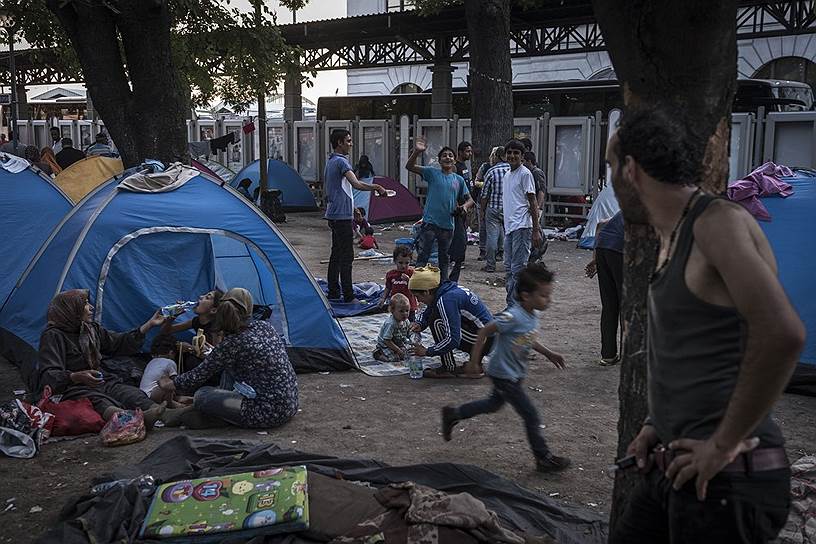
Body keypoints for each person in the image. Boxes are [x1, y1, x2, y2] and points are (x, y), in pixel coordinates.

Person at [608, 107, 805, 544]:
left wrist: (721, 444)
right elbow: (701, 346)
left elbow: (783, 333)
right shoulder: (674, 234)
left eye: (611, 166)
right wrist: (656, 424)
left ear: (631, 169)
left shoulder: (716, 223)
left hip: (727, 481)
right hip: (676, 465)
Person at [441, 264, 571, 473]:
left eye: (549, 295)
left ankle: (453, 414)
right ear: (526, 296)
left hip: (514, 373)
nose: (549, 300)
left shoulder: (532, 314)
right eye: (544, 295)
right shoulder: (513, 316)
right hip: (504, 375)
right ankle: (543, 457)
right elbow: (484, 331)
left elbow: (527, 339)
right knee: (531, 415)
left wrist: (548, 353)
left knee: (493, 404)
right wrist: (474, 361)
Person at [159, 288, 299, 429]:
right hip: (290, 403)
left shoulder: (232, 343)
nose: (201, 298)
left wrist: (169, 383)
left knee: (202, 395)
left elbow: (197, 376)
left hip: (268, 412)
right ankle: (188, 414)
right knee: (227, 371)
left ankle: (195, 416)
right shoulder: (265, 326)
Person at [36, 289, 179, 426]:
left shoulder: (90, 329)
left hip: (100, 380)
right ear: (71, 309)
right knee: (98, 401)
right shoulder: (53, 336)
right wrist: (75, 376)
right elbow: (49, 375)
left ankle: (166, 415)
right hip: (73, 387)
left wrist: (149, 325)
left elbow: (117, 343)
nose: (91, 307)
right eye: (85, 304)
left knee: (130, 393)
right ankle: (133, 421)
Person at [324, 129, 386, 303]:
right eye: (348, 141)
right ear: (339, 143)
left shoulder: (331, 161)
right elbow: (356, 184)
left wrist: (353, 209)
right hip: (341, 216)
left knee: (336, 253)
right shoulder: (342, 162)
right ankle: (348, 296)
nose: (351, 144)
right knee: (346, 256)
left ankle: (334, 291)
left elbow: (342, 190)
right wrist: (376, 188)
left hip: (335, 213)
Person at [406, 136, 474, 281]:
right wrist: (417, 152)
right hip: (430, 223)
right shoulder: (432, 173)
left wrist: (464, 207)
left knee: (444, 258)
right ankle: (417, 285)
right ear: (439, 160)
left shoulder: (458, 180)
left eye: (450, 155)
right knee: (423, 256)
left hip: (448, 225)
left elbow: (470, 200)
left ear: (454, 160)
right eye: (444, 155)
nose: (447, 157)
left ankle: (443, 285)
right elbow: (409, 166)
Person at [409, 266, 493, 378]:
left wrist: (427, 351)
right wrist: (420, 323)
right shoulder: (446, 289)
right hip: (488, 336)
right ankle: (475, 364)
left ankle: (448, 367)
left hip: (484, 340)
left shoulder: (446, 300)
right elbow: (431, 306)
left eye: (418, 297)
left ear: (426, 292)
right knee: (437, 315)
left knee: (437, 322)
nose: (419, 301)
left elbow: (453, 339)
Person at [501, 140, 542, 308]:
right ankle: (513, 305)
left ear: (522, 157)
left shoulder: (525, 174)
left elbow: (533, 202)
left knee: (517, 269)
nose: (512, 156)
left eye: (516, 153)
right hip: (510, 228)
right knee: (509, 269)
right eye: (509, 152)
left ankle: (514, 307)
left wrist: (535, 229)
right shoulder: (507, 174)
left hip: (522, 227)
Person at [584, 210, 624, 366]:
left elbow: (600, 224)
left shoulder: (628, 208)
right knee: (628, 306)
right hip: (621, 250)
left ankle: (608, 355)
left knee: (609, 305)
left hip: (603, 247)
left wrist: (594, 260)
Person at [139, 334, 192, 407]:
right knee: (169, 384)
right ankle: (170, 403)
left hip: (143, 394)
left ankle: (173, 400)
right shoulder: (170, 362)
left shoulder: (151, 362)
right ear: (171, 353)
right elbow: (176, 382)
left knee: (166, 384)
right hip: (155, 394)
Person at [480, 146, 509, 273]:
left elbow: (484, 194)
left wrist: (482, 210)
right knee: (510, 236)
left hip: (494, 207)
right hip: (509, 209)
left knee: (492, 236)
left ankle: (490, 265)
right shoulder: (513, 170)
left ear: (497, 156)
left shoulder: (491, 172)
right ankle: (509, 264)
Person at [474, 146, 504, 261]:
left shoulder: (492, 171)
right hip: (496, 204)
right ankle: (485, 250)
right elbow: (477, 181)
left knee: (494, 231)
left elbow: (485, 194)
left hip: (491, 204)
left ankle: (494, 256)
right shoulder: (486, 167)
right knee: (485, 228)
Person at [380, 245, 418, 320]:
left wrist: (409, 281)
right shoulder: (391, 274)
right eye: (400, 263)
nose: (404, 266)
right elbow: (388, 288)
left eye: (407, 263)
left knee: (411, 325)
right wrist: (383, 298)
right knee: (395, 324)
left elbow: (417, 287)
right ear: (395, 261)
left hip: (409, 307)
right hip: (396, 307)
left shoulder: (412, 273)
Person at [373, 293, 412, 362]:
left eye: (407, 310)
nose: (405, 314)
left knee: (408, 354)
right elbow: (387, 340)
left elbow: (409, 334)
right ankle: (378, 353)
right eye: (401, 311)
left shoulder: (406, 321)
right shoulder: (391, 323)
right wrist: (398, 350)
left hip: (398, 342)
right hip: (386, 345)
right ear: (392, 310)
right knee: (394, 358)